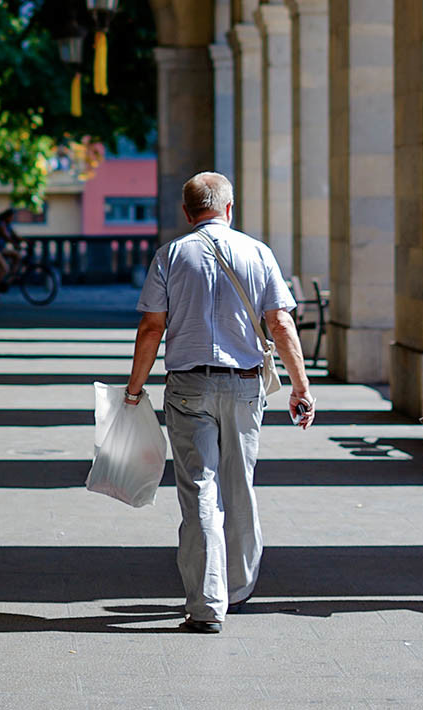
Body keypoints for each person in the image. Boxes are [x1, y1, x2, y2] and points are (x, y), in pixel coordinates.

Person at [125, 171, 315, 634]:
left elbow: (152, 327)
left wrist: (134, 390)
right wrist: (301, 386)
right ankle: (238, 588)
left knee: (199, 491)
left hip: (188, 386)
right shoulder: (258, 253)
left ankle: (206, 603)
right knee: (239, 485)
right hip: (245, 385)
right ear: (229, 209)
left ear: (188, 214)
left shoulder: (171, 255)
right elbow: (281, 325)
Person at [0, 208, 24, 290]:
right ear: (7, 217)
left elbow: (15, 236)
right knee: (5, 269)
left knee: (18, 256)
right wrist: (15, 244)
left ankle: (10, 279)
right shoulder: (1, 225)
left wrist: (28, 241)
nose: (12, 219)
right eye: (11, 217)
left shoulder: (8, 225)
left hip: (0, 249)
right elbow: (7, 236)